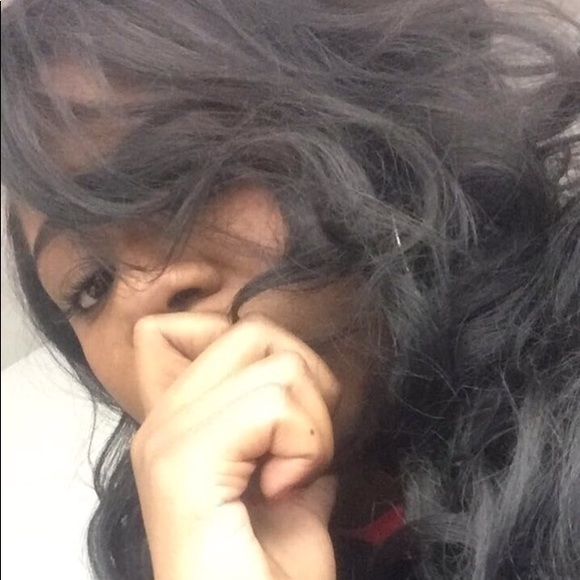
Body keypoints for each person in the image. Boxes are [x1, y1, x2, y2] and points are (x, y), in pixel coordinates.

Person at [1, 0, 578, 578]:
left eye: (182, 182)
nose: (144, 300)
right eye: (90, 287)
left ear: (366, 136)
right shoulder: (175, 544)